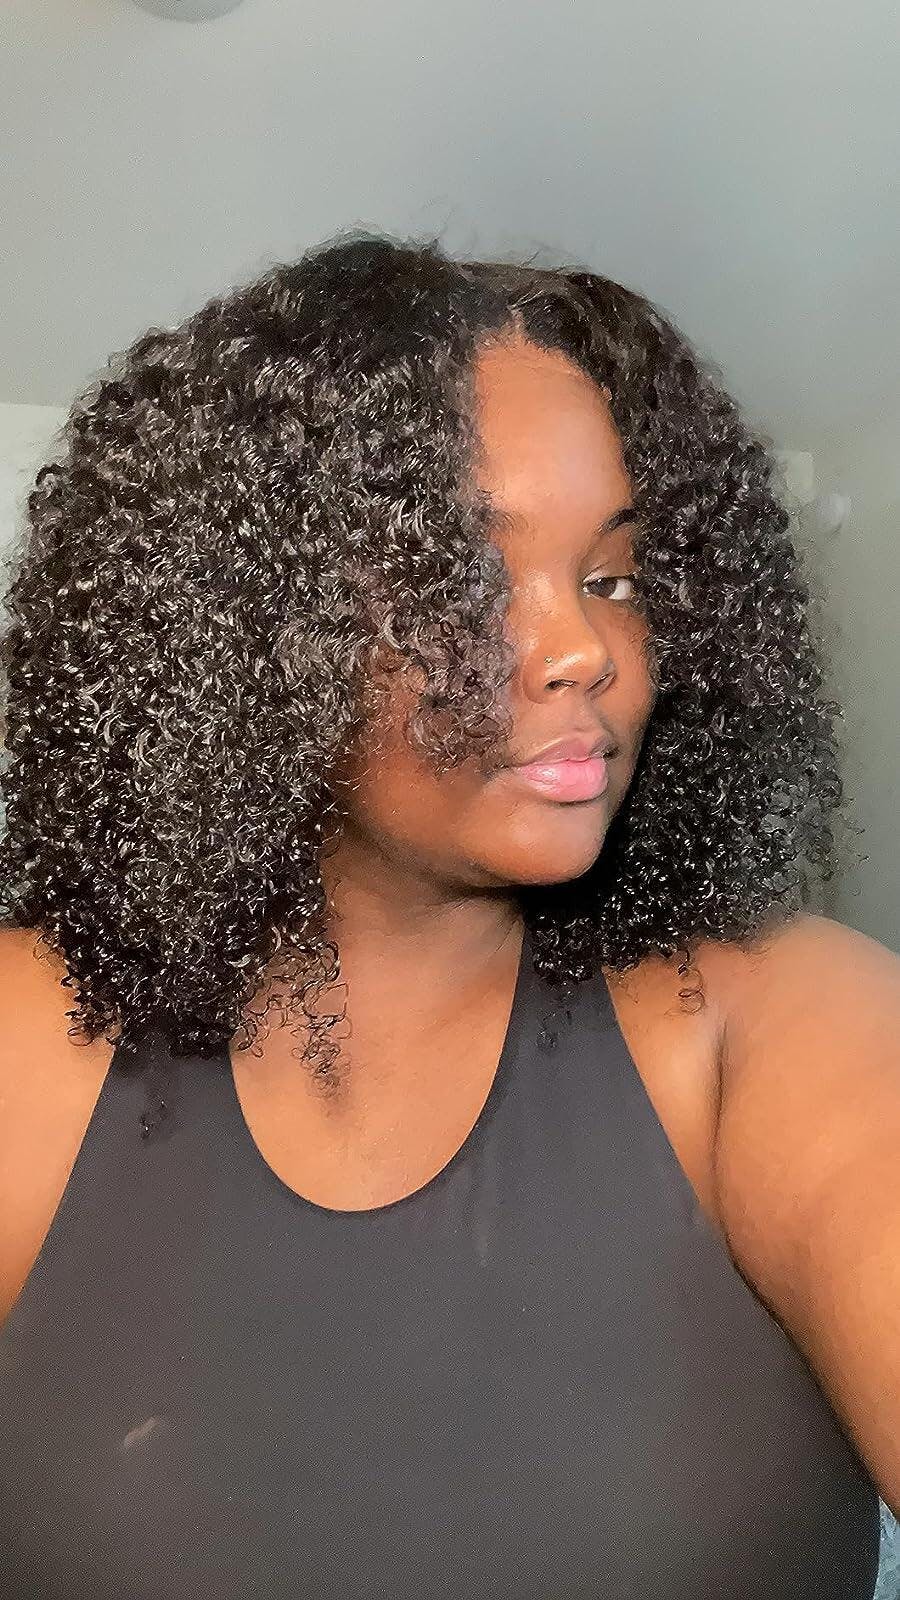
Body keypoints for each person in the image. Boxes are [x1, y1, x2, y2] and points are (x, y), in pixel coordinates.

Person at [0, 232, 898, 1600]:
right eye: (465, 578)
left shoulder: (784, 1022)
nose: (583, 650)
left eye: (615, 580)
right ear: (253, 630)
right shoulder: (30, 1037)